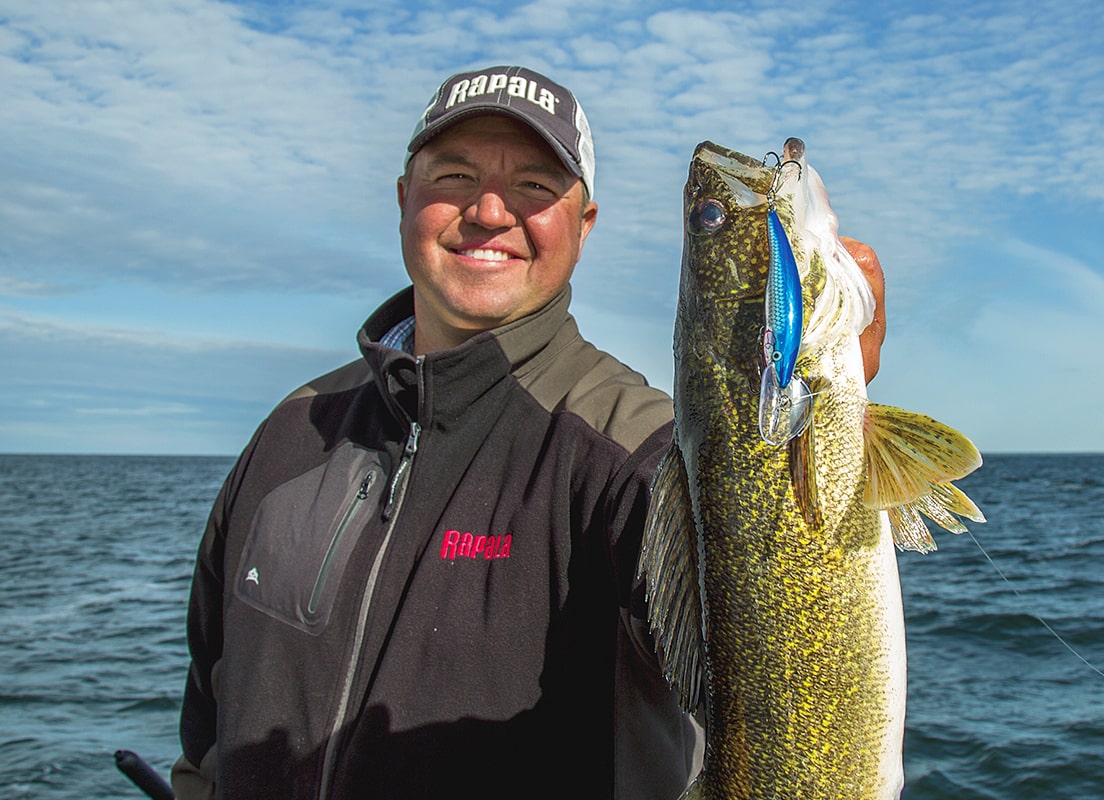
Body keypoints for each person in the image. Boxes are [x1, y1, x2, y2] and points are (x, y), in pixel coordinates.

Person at [171, 65, 886, 799]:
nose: (487, 210)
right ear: (401, 199)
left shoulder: (635, 454)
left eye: (536, 187)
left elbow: (767, 640)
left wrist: (808, 434)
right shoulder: (291, 432)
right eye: (453, 174)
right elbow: (206, 732)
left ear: (584, 223)